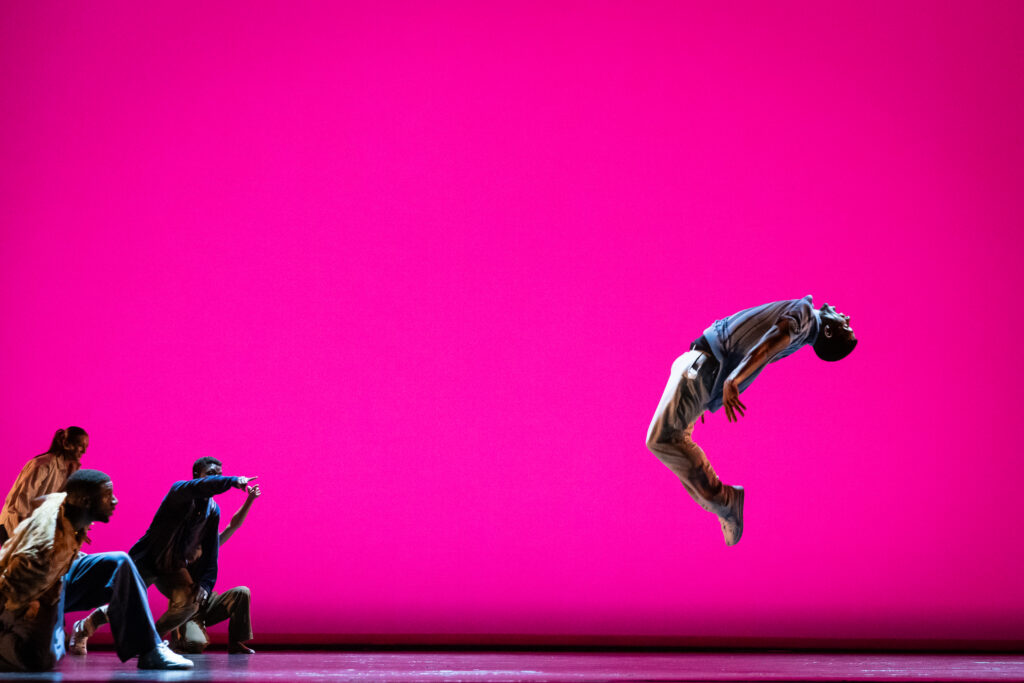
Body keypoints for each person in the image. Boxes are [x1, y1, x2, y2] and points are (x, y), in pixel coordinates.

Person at [646, 296, 857, 546]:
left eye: (845, 326)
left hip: (703, 366)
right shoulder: (803, 326)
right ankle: (723, 500)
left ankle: (725, 501)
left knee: (662, 439)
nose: (847, 318)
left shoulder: (806, 316)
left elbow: (769, 343)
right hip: (702, 368)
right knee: (669, 440)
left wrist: (732, 380)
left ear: (829, 332)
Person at [0, 469, 192, 671]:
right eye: (108, 496)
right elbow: (8, 592)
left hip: (58, 578)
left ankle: (150, 650)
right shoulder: (43, 548)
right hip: (28, 598)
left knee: (118, 563)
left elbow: (47, 502)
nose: (115, 501)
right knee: (42, 658)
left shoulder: (68, 507)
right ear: (85, 502)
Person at [69, 458, 255, 654]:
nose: (216, 477)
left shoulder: (213, 510)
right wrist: (233, 481)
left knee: (190, 603)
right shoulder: (180, 492)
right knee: (126, 604)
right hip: (148, 558)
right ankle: (85, 627)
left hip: (173, 566)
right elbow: (205, 486)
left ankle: (152, 642)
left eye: (220, 474)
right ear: (197, 476)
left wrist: (206, 585)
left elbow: (211, 550)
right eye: (210, 473)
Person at [169, 477, 262, 655]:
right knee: (195, 646)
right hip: (186, 608)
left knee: (241, 592)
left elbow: (232, 526)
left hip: (207, 602)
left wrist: (249, 500)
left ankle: (235, 643)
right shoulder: (177, 550)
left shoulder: (208, 545)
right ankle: (181, 638)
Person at [0, 427, 89, 545]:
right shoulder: (42, 465)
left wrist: (79, 529)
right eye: (80, 445)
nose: (83, 451)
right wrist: (24, 538)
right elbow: (21, 503)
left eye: (85, 447)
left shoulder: (73, 471)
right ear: (66, 444)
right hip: (13, 526)